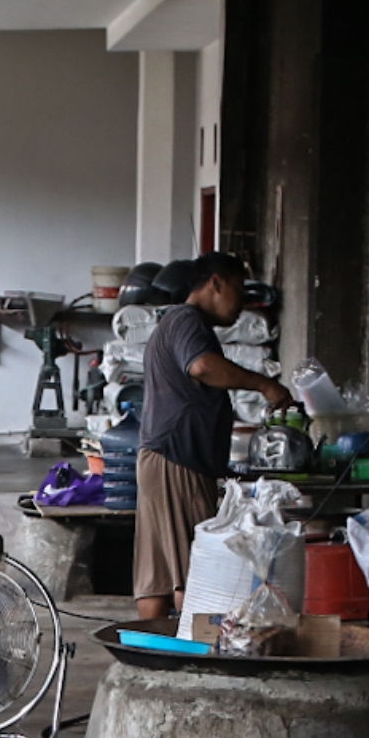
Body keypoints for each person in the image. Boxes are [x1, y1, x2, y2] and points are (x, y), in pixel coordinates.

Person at [133, 252, 290, 623]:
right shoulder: (187, 321)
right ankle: (199, 662)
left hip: (162, 457)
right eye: (238, 289)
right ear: (215, 283)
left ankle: (150, 661)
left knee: (157, 575)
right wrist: (264, 384)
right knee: (198, 571)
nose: (242, 303)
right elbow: (202, 366)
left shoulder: (176, 323)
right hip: (179, 461)